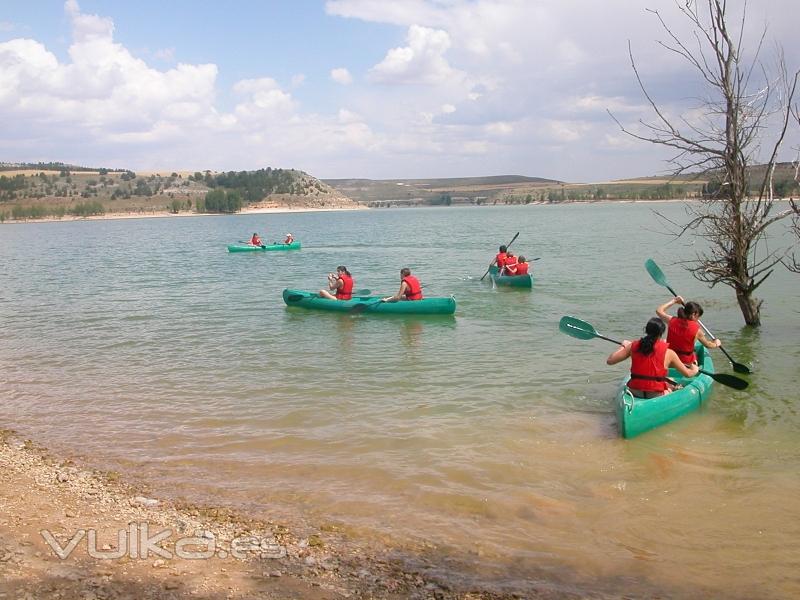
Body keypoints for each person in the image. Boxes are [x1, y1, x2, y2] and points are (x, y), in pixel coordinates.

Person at [606, 317, 699, 399]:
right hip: (656, 394)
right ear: (661, 333)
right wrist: (695, 369)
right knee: (671, 386)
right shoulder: (669, 352)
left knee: (668, 382)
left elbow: (610, 361)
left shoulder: (632, 346)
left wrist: (623, 346)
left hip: (634, 391)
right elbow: (688, 374)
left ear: (646, 331)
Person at [656, 296, 722, 365]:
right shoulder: (698, 331)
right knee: (694, 355)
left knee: (664, 341)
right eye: (698, 317)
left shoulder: (671, 320)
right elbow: (708, 345)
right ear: (693, 314)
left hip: (670, 361)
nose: (698, 320)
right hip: (686, 363)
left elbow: (659, 310)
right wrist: (716, 344)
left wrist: (674, 301)